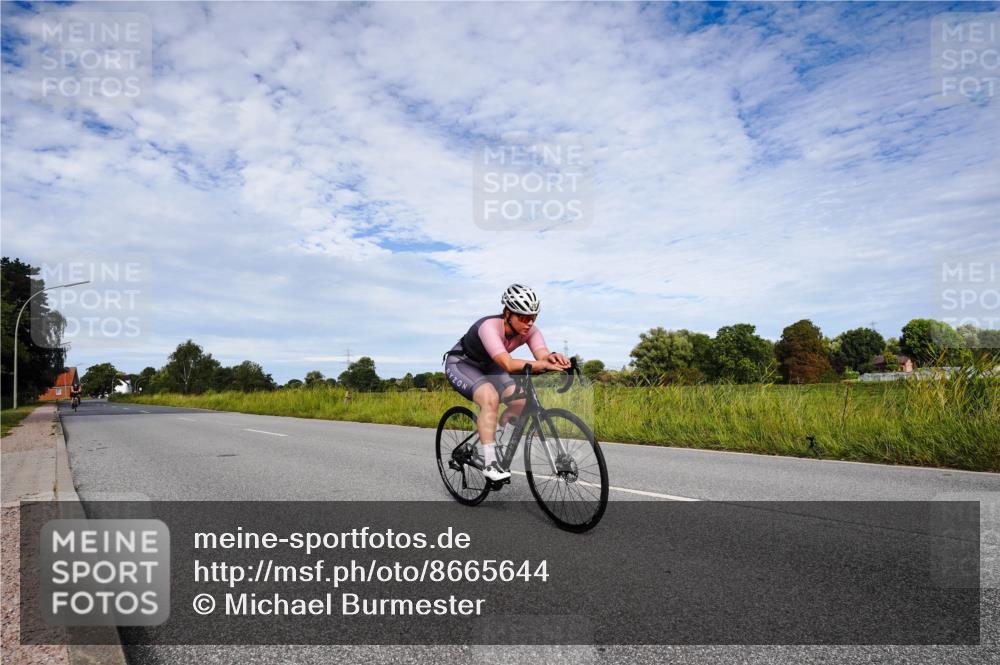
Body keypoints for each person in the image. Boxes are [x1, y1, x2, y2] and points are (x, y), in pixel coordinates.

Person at [443, 284, 571, 482]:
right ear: (508, 313)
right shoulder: (489, 327)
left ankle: (496, 440)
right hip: (462, 364)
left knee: (520, 401)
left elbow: (542, 355)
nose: (529, 323)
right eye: (524, 318)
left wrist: (554, 359)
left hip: (490, 365)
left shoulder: (530, 331)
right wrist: (542, 365)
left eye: (533, 317)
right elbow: (508, 364)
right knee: (490, 398)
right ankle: (490, 463)